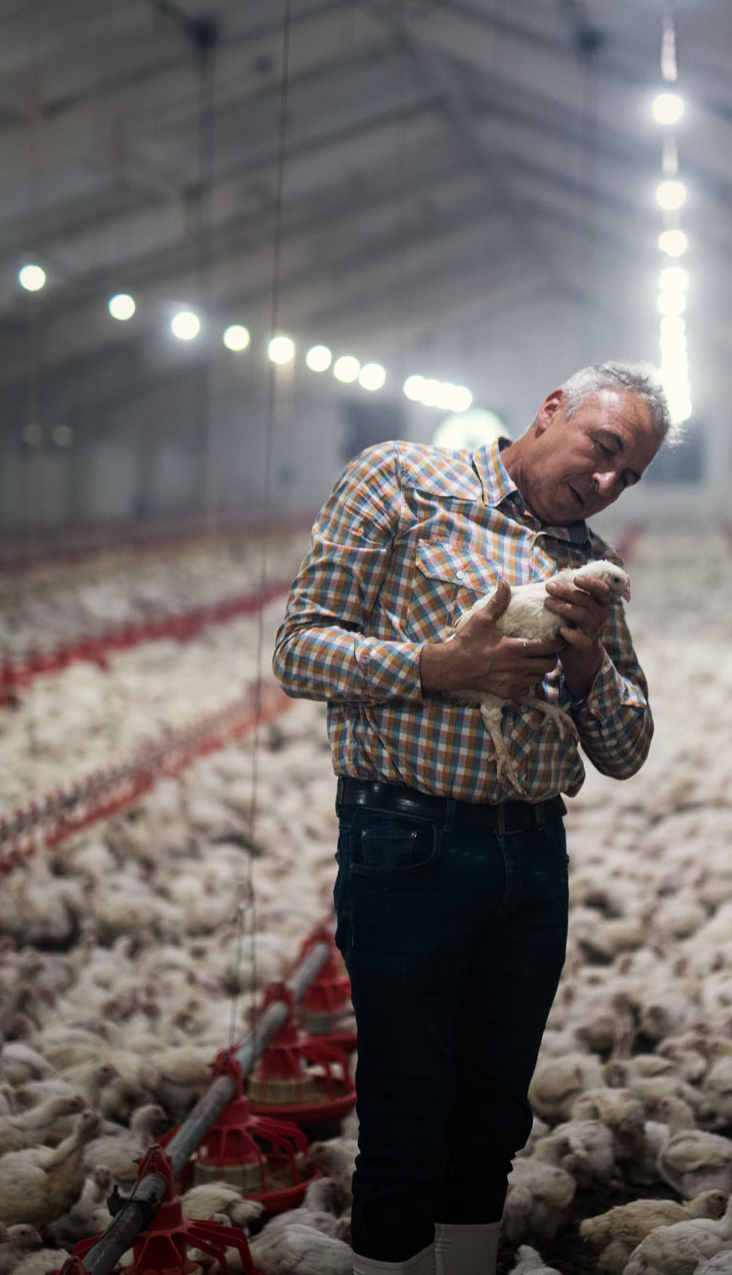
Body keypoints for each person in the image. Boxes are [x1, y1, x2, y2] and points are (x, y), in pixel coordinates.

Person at [273, 361, 673, 1275]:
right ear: (551, 410)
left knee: (494, 1116)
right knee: (411, 1113)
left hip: (530, 855)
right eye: (602, 450)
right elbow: (299, 648)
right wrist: (436, 667)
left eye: (629, 476)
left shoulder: (589, 567)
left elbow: (626, 748)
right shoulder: (402, 481)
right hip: (407, 842)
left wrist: (584, 669)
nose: (606, 482)